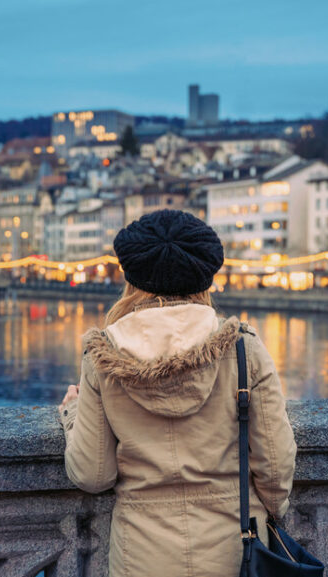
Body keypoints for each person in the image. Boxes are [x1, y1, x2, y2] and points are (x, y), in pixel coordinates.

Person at [59, 209, 297, 577]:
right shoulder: (243, 349)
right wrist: (273, 511)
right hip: (235, 552)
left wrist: (72, 414)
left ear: (132, 279)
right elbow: (276, 467)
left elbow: (93, 474)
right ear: (204, 278)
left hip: (141, 558)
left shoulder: (103, 356)